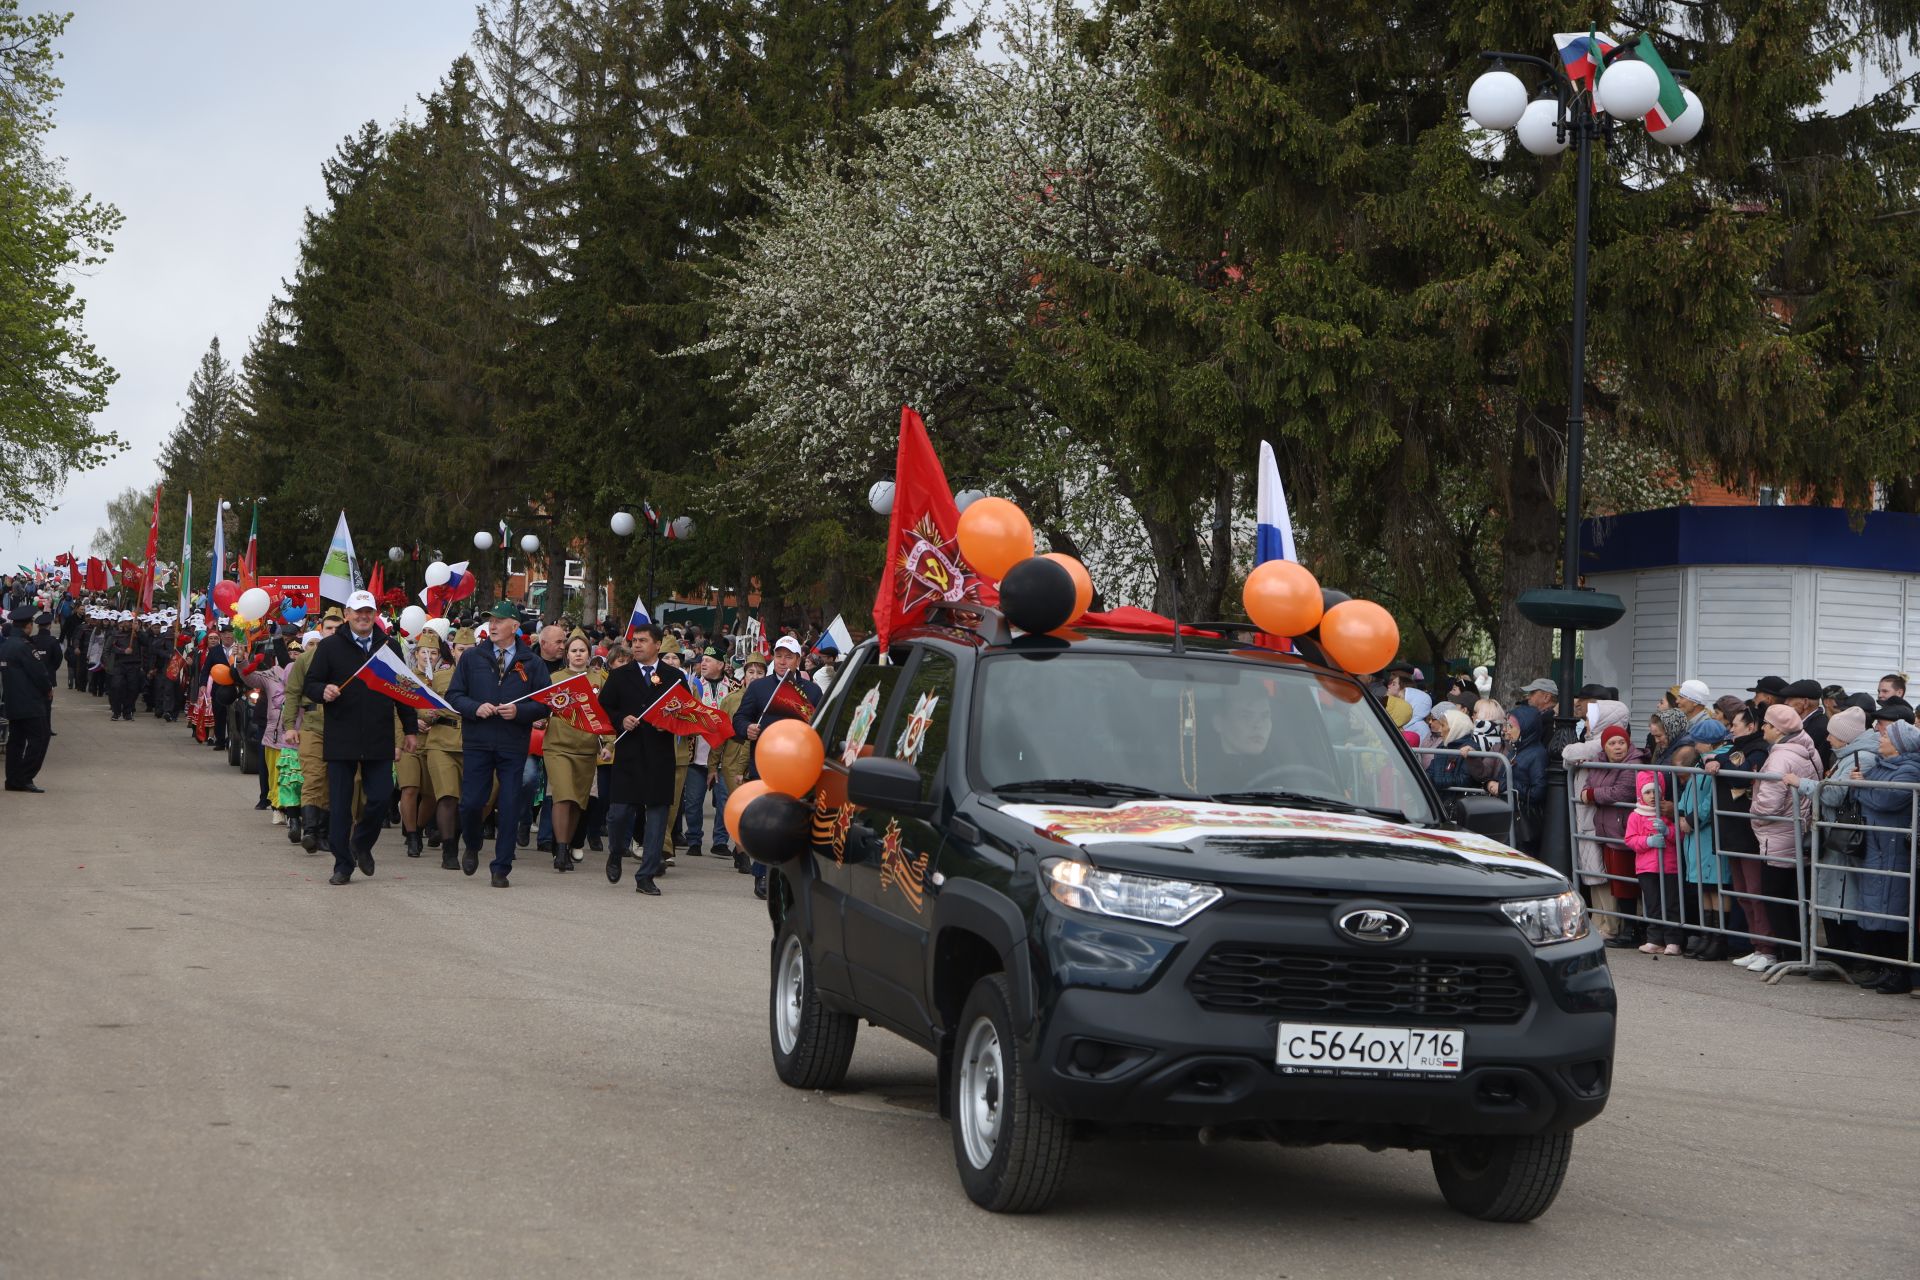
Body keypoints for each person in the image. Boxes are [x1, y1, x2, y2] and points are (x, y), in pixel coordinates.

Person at [301, 592, 419, 885]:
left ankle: (361, 844)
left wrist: (410, 729)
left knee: (379, 798)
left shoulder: (389, 646)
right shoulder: (329, 647)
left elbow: (402, 689)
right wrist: (323, 691)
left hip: (378, 737)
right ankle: (343, 864)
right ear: (347, 614)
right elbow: (311, 684)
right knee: (340, 806)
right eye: (357, 611)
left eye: (368, 611)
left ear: (374, 613)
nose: (363, 616)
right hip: (342, 737)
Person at [447, 602, 551, 887]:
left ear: (515, 626)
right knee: (470, 803)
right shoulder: (472, 658)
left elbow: (544, 704)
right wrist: (474, 708)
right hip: (478, 741)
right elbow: (454, 695)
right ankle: (472, 842)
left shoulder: (533, 662)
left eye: (499, 620)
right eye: (490, 620)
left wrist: (520, 712)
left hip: (512, 743)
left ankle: (501, 867)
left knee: (508, 806)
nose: (492, 625)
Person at [597, 623, 685, 896]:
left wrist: (668, 723)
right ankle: (615, 851)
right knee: (619, 812)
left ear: (658, 645)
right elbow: (604, 707)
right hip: (630, 754)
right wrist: (620, 719)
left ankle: (645, 875)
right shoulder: (620, 675)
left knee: (657, 816)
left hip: (660, 756)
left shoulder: (674, 676)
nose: (636, 645)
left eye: (643, 641)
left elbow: (685, 713)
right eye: (634, 640)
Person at [734, 635, 824, 897]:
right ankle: (762, 876)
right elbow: (740, 718)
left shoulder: (812, 691)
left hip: (798, 766)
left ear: (798, 660)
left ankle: (789, 876)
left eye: (789, 656)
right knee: (765, 819)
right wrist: (746, 728)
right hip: (764, 763)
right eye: (779, 655)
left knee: (792, 820)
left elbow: (819, 726)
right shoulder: (760, 688)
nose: (783, 661)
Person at [1738, 703, 1819, 969]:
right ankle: (1795, 952)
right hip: (1797, 831)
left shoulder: (1779, 757)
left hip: (1778, 834)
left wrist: (1754, 809)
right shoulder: (1808, 750)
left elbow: (1769, 805)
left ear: (1778, 729)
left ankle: (1789, 955)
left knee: (1777, 897)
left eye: (1767, 725)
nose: (1762, 728)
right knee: (1794, 896)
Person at [1848, 719, 1920, 994]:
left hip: (1893, 848)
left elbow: (1886, 800)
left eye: (1886, 737)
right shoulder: (1881, 766)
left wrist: (1861, 786)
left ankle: (1898, 972)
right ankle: (1883, 967)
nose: (1880, 739)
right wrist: (1863, 785)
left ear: (1900, 744)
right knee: (1875, 907)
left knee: (1893, 909)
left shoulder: (1911, 770)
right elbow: (1873, 794)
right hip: (1876, 846)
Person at [540, 634, 606, 872]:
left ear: (589, 654)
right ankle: (559, 849)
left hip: (586, 748)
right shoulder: (553, 678)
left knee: (579, 801)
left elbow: (606, 715)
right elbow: (541, 707)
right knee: (563, 796)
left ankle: (566, 846)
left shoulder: (600, 679)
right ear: (566, 654)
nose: (578, 654)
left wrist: (608, 744)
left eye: (583, 650)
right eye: (574, 650)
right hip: (558, 745)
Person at [423, 627, 473, 870]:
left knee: (470, 801)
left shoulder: (484, 677)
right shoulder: (439, 677)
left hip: (473, 744)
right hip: (441, 742)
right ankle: (449, 849)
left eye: (470, 650)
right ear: (453, 650)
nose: (465, 654)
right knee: (447, 797)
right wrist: (427, 714)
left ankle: (457, 835)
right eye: (461, 649)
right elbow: (422, 703)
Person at [679, 647, 733, 859]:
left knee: (724, 801)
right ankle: (694, 839)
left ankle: (720, 841)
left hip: (724, 755)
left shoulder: (734, 687)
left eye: (709, 660)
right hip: (697, 754)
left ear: (720, 665)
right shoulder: (693, 685)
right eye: (703, 660)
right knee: (692, 801)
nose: (704, 664)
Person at [395, 633, 443, 858]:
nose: (428, 657)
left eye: (433, 653)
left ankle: (418, 826)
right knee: (410, 787)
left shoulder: (443, 679)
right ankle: (412, 835)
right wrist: (412, 722)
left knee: (431, 794)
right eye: (424, 652)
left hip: (435, 741)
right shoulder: (406, 678)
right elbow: (397, 709)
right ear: (415, 654)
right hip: (409, 740)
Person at [1624, 779, 1684, 955]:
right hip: (1647, 868)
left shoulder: (1667, 814)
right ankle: (1655, 939)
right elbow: (1630, 839)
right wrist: (1648, 841)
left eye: (1655, 792)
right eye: (1648, 792)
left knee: (1671, 903)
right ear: (1640, 795)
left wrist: (1668, 831)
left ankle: (1673, 940)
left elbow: (1679, 836)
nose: (1652, 796)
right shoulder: (1636, 815)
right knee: (1653, 904)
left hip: (1669, 866)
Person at [1, 606, 54, 791]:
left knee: (16, 741)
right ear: (28, 626)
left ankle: (13, 779)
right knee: (40, 738)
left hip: (13, 701)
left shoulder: (5, 645)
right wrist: (47, 688)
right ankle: (24, 777)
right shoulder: (25, 647)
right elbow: (39, 673)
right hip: (30, 702)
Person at [1493, 705, 1548, 853]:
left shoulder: (1537, 754)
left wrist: (1504, 786)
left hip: (1523, 822)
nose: (1506, 730)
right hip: (1510, 818)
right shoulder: (1516, 751)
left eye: (1511, 726)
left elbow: (1538, 792)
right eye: (1506, 725)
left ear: (1526, 728)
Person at [1421, 706, 1480, 792]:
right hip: (1439, 798)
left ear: (1455, 727)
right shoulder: (1442, 746)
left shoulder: (1470, 748)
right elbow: (1431, 771)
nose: (1440, 730)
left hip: (1459, 801)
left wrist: (1434, 781)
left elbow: (1465, 780)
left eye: (1443, 725)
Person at [1781, 680, 1832, 772]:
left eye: (1790, 698)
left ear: (1805, 702)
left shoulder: (1820, 728)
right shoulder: (1803, 723)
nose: (1786, 702)